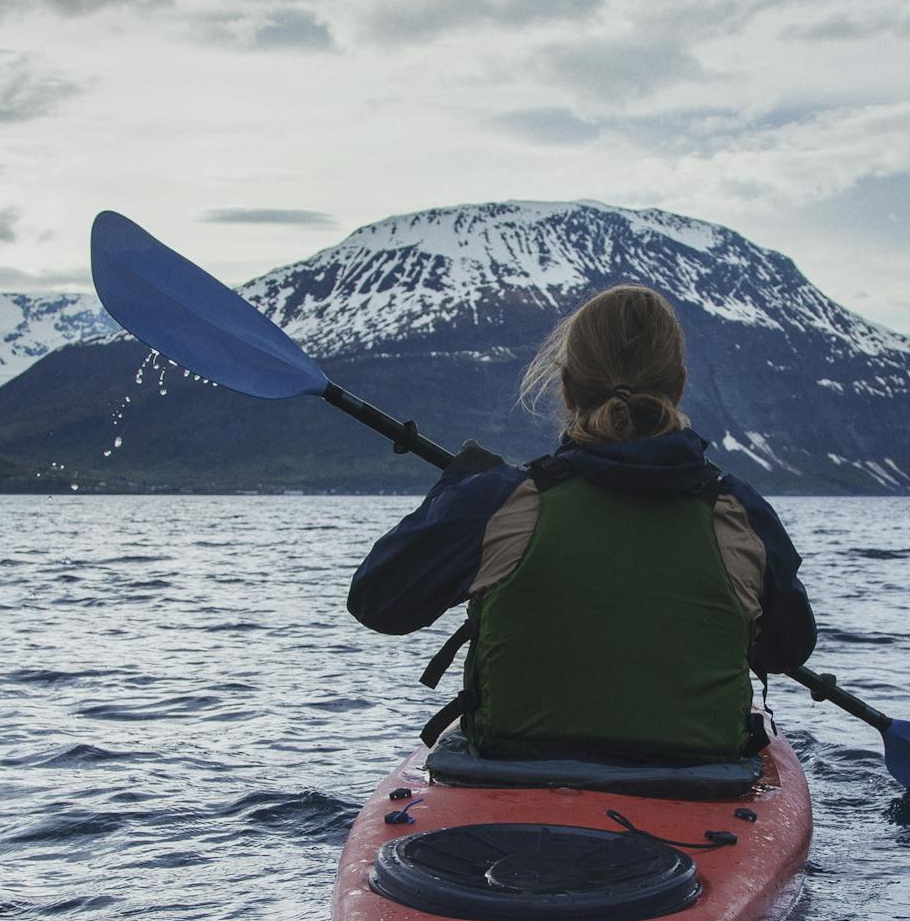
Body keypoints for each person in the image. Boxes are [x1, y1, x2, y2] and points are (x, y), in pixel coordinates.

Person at [348, 283, 816, 765]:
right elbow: (788, 648)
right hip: (701, 779)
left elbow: (377, 603)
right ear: (678, 384)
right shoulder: (740, 511)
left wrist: (461, 487)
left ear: (567, 386)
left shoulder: (499, 501)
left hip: (511, 774)